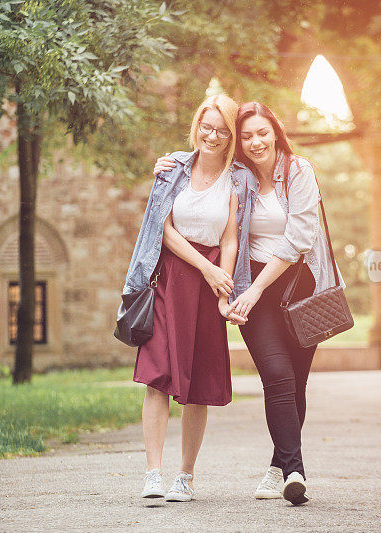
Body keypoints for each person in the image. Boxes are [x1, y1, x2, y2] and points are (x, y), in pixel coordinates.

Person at [153, 101, 343, 505]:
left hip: (298, 285)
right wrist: (166, 164)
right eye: (248, 135)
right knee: (276, 376)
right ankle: (295, 471)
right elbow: (198, 166)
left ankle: (278, 468)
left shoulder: (298, 171)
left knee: (296, 383)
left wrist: (256, 289)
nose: (256, 142)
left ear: (276, 133)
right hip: (252, 286)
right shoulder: (236, 178)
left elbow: (299, 238)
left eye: (263, 133)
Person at [122, 93, 251, 502]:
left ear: (231, 136)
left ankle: (185, 476)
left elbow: (231, 239)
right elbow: (162, 228)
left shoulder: (237, 178)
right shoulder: (173, 168)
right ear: (197, 125)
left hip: (209, 285)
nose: (210, 136)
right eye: (205, 126)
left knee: (197, 383)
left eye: (220, 130)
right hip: (168, 278)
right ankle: (153, 474)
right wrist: (206, 267)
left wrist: (223, 285)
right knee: (156, 376)